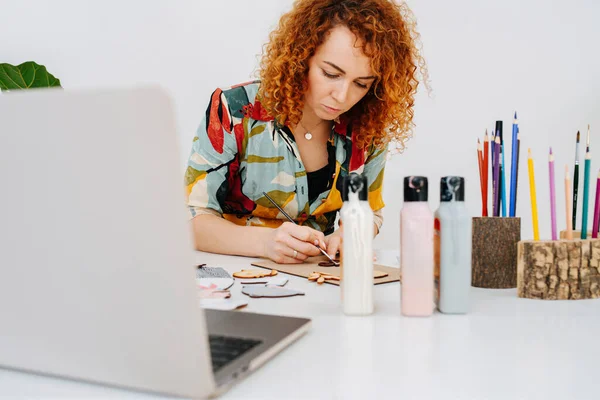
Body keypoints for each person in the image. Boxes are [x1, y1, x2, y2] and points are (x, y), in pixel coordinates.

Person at [185, 0, 427, 264]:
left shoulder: (368, 125)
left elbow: (370, 211)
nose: (343, 96)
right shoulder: (235, 110)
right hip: (237, 277)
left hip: (316, 283)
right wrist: (265, 242)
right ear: (302, 57)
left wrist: (352, 233)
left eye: (361, 84)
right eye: (331, 74)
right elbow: (192, 218)